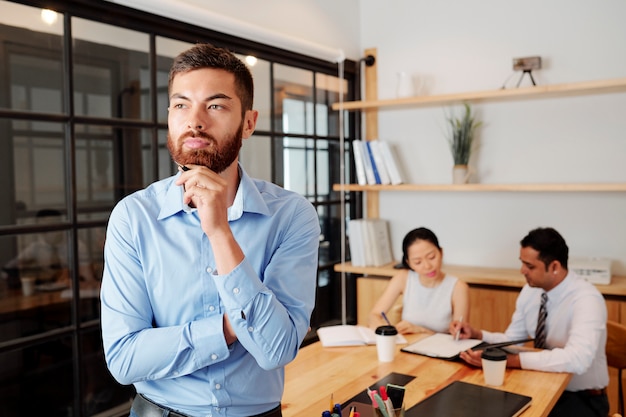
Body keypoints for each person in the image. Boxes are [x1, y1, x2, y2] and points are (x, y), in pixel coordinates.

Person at [100, 44, 320, 417]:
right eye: (181, 104)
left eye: (215, 105)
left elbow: (277, 350)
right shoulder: (133, 217)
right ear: (169, 115)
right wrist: (227, 328)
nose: (195, 121)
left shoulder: (292, 216)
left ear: (249, 122)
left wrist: (220, 233)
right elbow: (124, 358)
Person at [452, 227, 609, 417]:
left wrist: (512, 361)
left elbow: (577, 360)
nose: (522, 271)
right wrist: (478, 334)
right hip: (541, 383)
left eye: (530, 266)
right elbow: (513, 339)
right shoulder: (531, 290)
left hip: (581, 399)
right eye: (522, 263)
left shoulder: (586, 299)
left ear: (555, 267)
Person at [369, 227, 469, 334]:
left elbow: (459, 336)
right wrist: (387, 332)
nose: (427, 266)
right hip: (406, 347)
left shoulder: (458, 287)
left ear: (441, 252)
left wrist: (421, 331)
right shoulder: (403, 278)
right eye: (417, 262)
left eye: (432, 257)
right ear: (409, 263)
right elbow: (374, 315)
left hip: (439, 349)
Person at [3, 208, 96, 285]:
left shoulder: (77, 247)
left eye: (49, 227)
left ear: (60, 226)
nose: (45, 232)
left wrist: (72, 280)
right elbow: (9, 268)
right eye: (42, 228)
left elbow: (90, 281)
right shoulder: (36, 248)